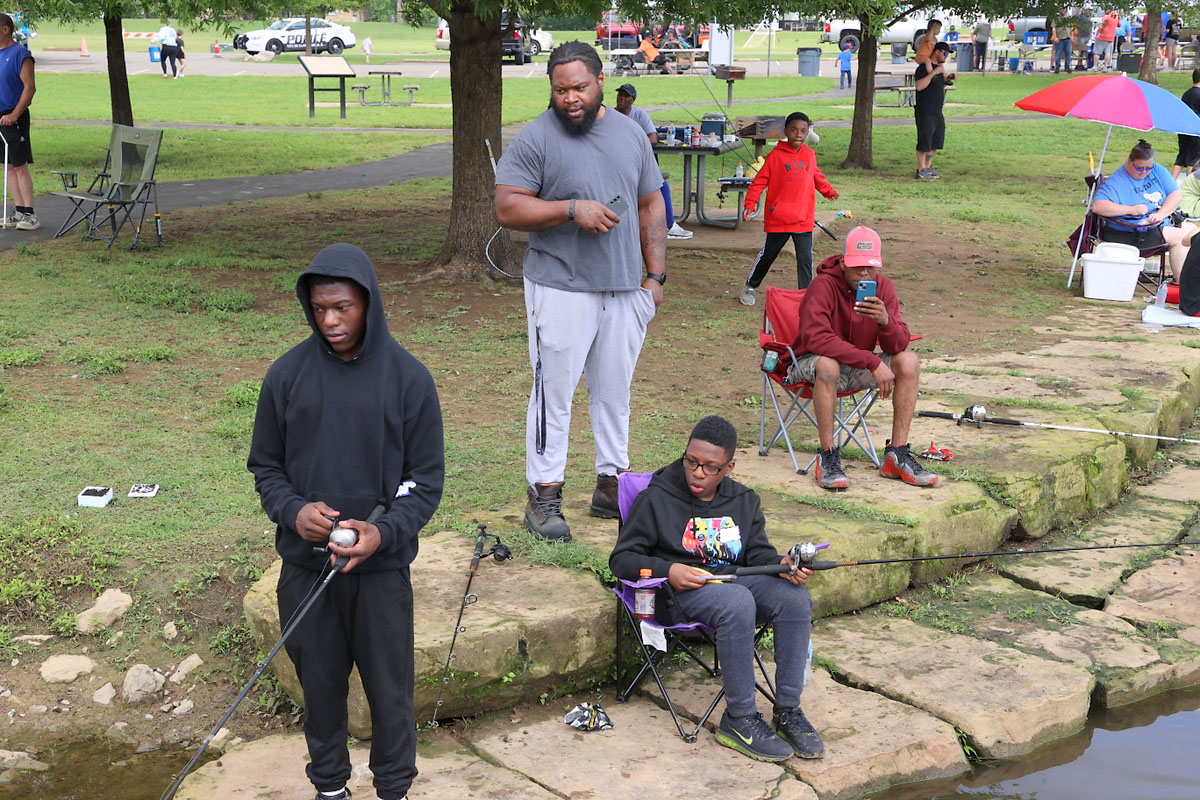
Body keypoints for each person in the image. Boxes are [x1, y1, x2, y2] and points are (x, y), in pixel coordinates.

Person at [247, 243, 444, 800]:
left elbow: (425, 481)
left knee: (390, 694)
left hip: (380, 576)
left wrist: (382, 532)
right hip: (306, 571)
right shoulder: (287, 375)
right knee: (321, 691)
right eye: (319, 309)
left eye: (342, 307)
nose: (329, 321)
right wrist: (294, 512)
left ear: (369, 303)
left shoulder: (409, 379)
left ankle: (394, 789)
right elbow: (266, 467)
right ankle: (330, 787)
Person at [494, 42, 666, 542]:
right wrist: (571, 209)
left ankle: (612, 485)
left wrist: (655, 277)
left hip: (625, 287)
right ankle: (544, 495)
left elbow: (650, 202)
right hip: (560, 286)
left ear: (600, 82)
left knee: (614, 392)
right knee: (554, 395)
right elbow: (508, 207)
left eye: (580, 88)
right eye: (560, 89)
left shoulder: (630, 134)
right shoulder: (536, 139)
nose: (570, 98)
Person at [609, 415, 824, 763]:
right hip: (677, 596)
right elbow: (621, 560)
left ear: (728, 467)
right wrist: (668, 570)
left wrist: (782, 565)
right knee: (737, 601)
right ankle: (739, 719)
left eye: (710, 467)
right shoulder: (656, 499)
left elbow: (757, 556)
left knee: (793, 597)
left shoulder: (744, 500)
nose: (697, 473)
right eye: (691, 462)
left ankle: (788, 710)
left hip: (734, 585)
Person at [791, 226, 939, 491]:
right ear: (843, 262)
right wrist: (871, 362)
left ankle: (897, 455)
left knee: (909, 361)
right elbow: (817, 339)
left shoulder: (883, 287)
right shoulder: (822, 286)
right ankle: (827, 456)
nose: (864, 273)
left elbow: (899, 343)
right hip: (811, 364)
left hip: (855, 366)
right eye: (858, 266)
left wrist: (885, 322)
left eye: (870, 267)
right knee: (828, 364)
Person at [739, 112, 838, 305]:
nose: (798, 134)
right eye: (793, 130)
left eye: (803, 131)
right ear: (785, 132)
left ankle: (806, 296)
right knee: (768, 256)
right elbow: (759, 183)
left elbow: (816, 176)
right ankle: (750, 286)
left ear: (807, 132)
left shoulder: (809, 154)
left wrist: (828, 191)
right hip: (780, 219)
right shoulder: (775, 156)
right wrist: (750, 204)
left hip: (803, 218)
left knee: (805, 260)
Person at [1092, 139, 1196, 280]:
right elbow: (1098, 206)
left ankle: (1192, 279)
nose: (1145, 172)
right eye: (1140, 168)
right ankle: (1184, 284)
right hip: (1130, 233)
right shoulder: (1115, 182)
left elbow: (1176, 195)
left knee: (1194, 232)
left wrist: (1161, 214)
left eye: (1148, 168)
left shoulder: (1157, 170)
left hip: (1156, 224)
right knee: (1181, 238)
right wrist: (1131, 209)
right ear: (1129, 162)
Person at [614, 84, 692, 240]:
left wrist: (632, 148)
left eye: (626, 95)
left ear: (633, 99)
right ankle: (613, 221)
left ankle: (668, 225)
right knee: (628, 189)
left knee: (658, 186)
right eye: (620, 95)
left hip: (635, 161)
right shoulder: (610, 116)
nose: (621, 98)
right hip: (615, 162)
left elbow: (653, 138)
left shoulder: (639, 115)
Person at [0, 12, 35, 231]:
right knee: (8, 166)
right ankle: (19, 210)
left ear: (5, 29)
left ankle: (30, 214)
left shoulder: (20, 55)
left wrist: (14, 115)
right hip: (0, 118)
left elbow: (29, 88)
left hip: (14, 117)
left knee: (20, 166)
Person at [914, 41, 953, 180]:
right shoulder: (923, 68)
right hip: (925, 111)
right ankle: (921, 169)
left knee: (935, 141)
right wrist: (934, 73)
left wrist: (947, 79)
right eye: (945, 53)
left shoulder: (939, 68)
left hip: (937, 111)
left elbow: (937, 85)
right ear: (937, 51)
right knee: (924, 141)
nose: (946, 56)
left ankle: (928, 167)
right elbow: (919, 86)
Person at [1174, 70, 1200, 180]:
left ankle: (1171, 183)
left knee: (1181, 158)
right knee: (1193, 159)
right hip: (1196, 130)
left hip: (1183, 129)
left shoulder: (1186, 93)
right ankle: (1190, 184)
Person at [1051, 9, 1073, 73]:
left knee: (1068, 53)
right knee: (1058, 54)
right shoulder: (1056, 18)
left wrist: (1071, 35)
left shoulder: (1068, 18)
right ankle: (1057, 67)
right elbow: (1054, 28)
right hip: (1060, 39)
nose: (1063, 10)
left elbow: (1071, 27)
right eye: (1061, 9)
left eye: (1064, 9)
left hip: (1067, 39)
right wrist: (1055, 37)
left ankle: (1067, 67)